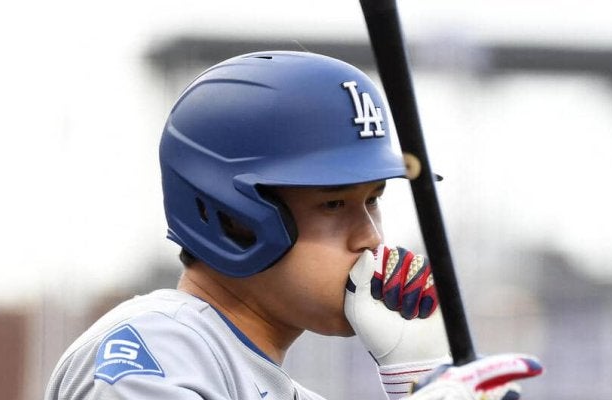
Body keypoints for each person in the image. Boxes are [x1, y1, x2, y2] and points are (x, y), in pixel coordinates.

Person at [45, 51, 542, 400]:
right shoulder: (153, 345)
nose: (370, 236)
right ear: (233, 219)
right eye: (334, 204)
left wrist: (412, 379)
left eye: (373, 200)